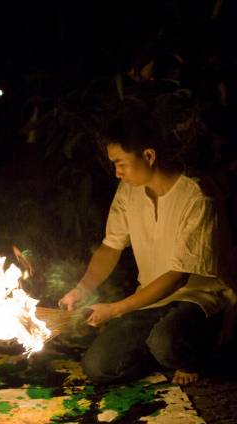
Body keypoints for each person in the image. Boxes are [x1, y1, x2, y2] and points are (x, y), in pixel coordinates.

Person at [59, 109, 237, 386]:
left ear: (149, 156)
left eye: (121, 163)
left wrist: (116, 309)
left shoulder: (198, 195)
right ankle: (160, 348)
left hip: (200, 300)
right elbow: (110, 247)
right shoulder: (129, 191)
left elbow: (178, 276)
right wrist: (82, 289)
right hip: (151, 298)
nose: (117, 173)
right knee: (98, 366)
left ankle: (194, 352)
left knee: (167, 343)